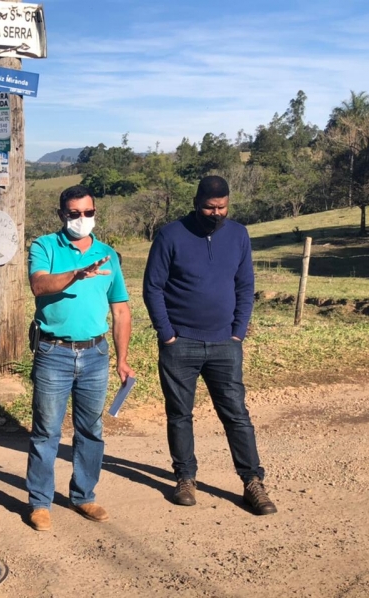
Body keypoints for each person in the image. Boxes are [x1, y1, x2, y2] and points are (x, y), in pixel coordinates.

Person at [142, 175, 277, 516]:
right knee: (179, 414)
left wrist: (238, 331)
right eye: (209, 207)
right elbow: (153, 287)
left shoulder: (239, 235)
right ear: (196, 203)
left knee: (236, 414)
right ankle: (185, 478)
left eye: (222, 207)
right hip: (180, 343)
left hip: (225, 343)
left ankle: (252, 481)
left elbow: (245, 285)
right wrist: (167, 333)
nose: (216, 213)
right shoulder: (170, 235)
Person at [25, 184, 134, 532]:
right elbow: (39, 285)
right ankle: (40, 503)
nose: (82, 218)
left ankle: (84, 495)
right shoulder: (44, 246)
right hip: (53, 352)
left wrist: (122, 359)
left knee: (91, 430)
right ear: (62, 215)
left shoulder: (107, 254)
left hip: (95, 354)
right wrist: (76, 274)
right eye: (74, 213)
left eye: (88, 212)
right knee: (46, 431)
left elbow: (120, 310)